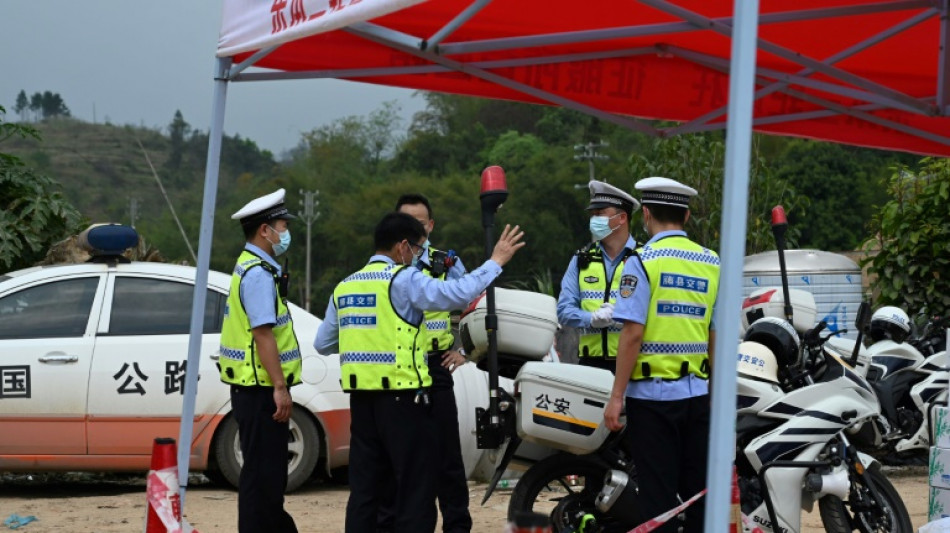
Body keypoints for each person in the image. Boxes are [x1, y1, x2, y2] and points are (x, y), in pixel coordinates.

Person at [314, 212, 525, 533]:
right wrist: (495, 262)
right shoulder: (404, 280)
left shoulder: (346, 285)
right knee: (415, 487)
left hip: (362, 403)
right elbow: (458, 293)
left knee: (366, 489)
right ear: (402, 246)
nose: (417, 256)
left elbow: (323, 343)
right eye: (415, 249)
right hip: (404, 401)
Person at [603, 176, 720, 533]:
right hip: (698, 397)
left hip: (652, 401)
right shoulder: (711, 261)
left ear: (646, 214)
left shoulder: (642, 261)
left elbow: (632, 334)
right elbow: (715, 333)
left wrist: (617, 396)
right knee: (699, 495)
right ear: (686, 216)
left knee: (658, 498)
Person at [218, 188, 301, 533]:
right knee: (263, 479)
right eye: (282, 226)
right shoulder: (257, 274)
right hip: (260, 390)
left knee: (264, 477)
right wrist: (280, 387)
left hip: (253, 388)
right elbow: (263, 334)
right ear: (265, 231)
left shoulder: (253, 267)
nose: (285, 232)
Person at [389, 193, 472, 533]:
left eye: (419, 223)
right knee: (404, 457)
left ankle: (457, 526)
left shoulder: (447, 263)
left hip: (436, 367)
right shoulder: (386, 264)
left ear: (431, 225)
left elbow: (474, 303)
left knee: (446, 455)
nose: (412, 229)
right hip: (398, 372)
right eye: (406, 222)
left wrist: (466, 350)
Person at [556, 180, 640, 371]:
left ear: (622, 218)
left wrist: (623, 317)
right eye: (592, 215)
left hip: (633, 362)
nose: (594, 220)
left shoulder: (643, 258)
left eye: (600, 214)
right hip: (590, 364)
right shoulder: (581, 259)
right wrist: (591, 318)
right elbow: (564, 311)